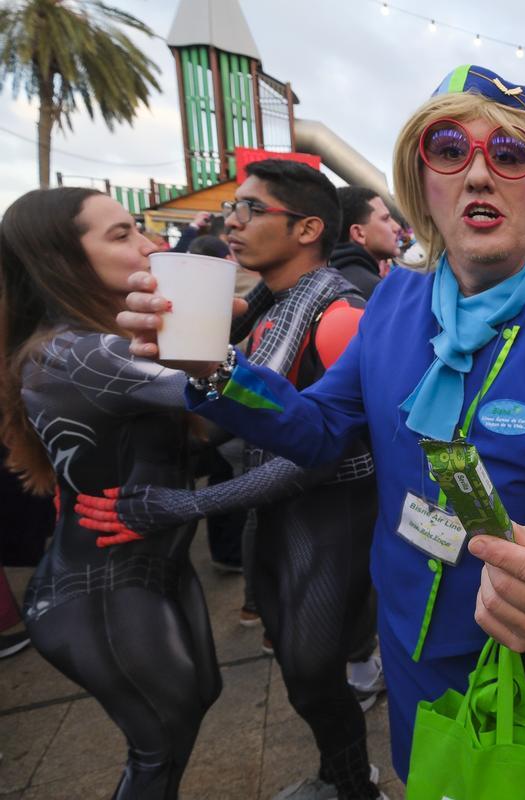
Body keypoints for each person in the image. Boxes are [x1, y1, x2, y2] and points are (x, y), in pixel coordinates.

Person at [116, 64, 525, 780]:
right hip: (402, 626)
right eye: (450, 149)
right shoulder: (394, 303)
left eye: (512, 154)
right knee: (415, 774)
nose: (480, 175)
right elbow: (319, 429)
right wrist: (217, 372)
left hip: (510, 645)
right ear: (423, 181)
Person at [80, 160, 385, 800]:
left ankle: (358, 787)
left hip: (335, 512)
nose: (232, 223)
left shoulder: (339, 313)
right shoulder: (268, 301)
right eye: (231, 210)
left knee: (311, 674)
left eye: (250, 210)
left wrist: (180, 506)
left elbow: (323, 449)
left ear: (307, 228)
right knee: (297, 664)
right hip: (279, 510)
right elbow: (236, 409)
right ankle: (342, 776)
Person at [0, 187, 222, 799]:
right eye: (121, 235)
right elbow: (231, 407)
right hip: (101, 592)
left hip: (152, 574)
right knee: (158, 747)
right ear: (60, 258)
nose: (150, 246)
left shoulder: (90, 337)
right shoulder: (77, 352)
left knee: (195, 704)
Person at [332, 186, 402, 298]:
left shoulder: (324, 283)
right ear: (359, 233)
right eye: (385, 219)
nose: (397, 227)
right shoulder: (377, 292)